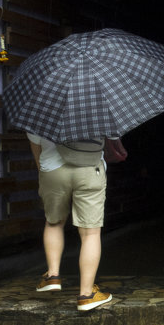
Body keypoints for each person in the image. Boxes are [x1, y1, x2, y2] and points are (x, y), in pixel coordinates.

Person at [28, 133, 113, 311]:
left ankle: (52, 275)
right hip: (89, 170)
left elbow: (35, 145)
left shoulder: (41, 107)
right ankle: (86, 295)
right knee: (90, 233)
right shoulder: (97, 107)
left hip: (52, 171)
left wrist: (43, 171)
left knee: (54, 222)